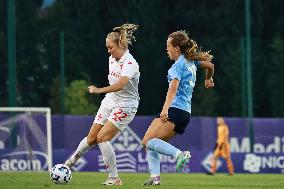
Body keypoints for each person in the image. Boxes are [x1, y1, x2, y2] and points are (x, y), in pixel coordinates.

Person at [64, 23, 140, 186]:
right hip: (111, 100)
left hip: (126, 105)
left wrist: (99, 90)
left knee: (102, 138)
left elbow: (120, 85)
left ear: (120, 45)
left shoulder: (130, 63)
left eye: (110, 47)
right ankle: (68, 164)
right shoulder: (111, 58)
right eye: (107, 48)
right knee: (92, 138)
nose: (108, 51)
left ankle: (115, 178)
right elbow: (115, 87)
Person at [141, 30, 214, 186]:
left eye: (168, 46)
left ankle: (180, 154)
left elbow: (172, 90)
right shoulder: (192, 61)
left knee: (148, 141)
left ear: (177, 48)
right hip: (185, 113)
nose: (166, 49)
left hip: (174, 109)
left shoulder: (178, 65)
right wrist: (208, 79)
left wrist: (165, 110)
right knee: (150, 142)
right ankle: (155, 178)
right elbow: (210, 65)